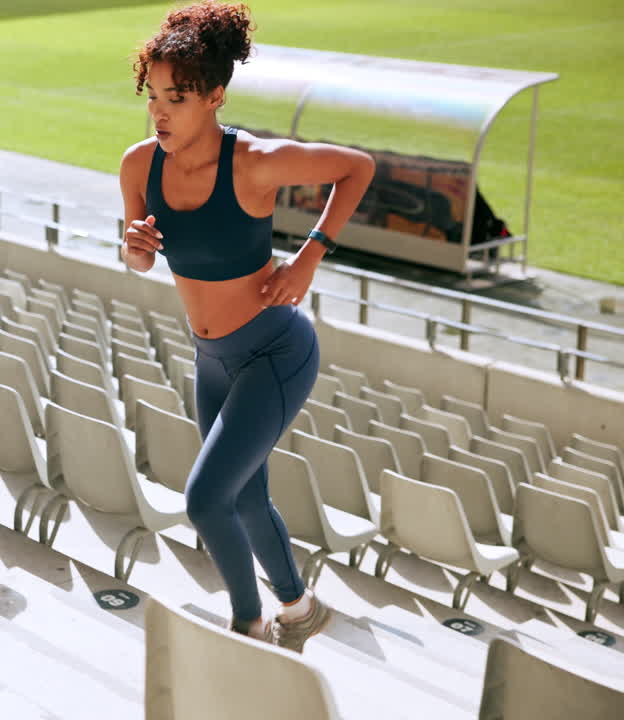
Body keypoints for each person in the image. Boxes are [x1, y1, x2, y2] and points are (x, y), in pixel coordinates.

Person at [119, 1, 375, 652]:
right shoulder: (138, 165)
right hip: (211, 362)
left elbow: (357, 168)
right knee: (246, 498)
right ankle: (297, 607)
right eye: (153, 95)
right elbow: (139, 260)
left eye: (176, 97)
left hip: (275, 351)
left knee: (207, 501)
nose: (160, 111)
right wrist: (137, 244)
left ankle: (246, 627)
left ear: (214, 96)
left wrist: (310, 258)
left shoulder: (254, 162)